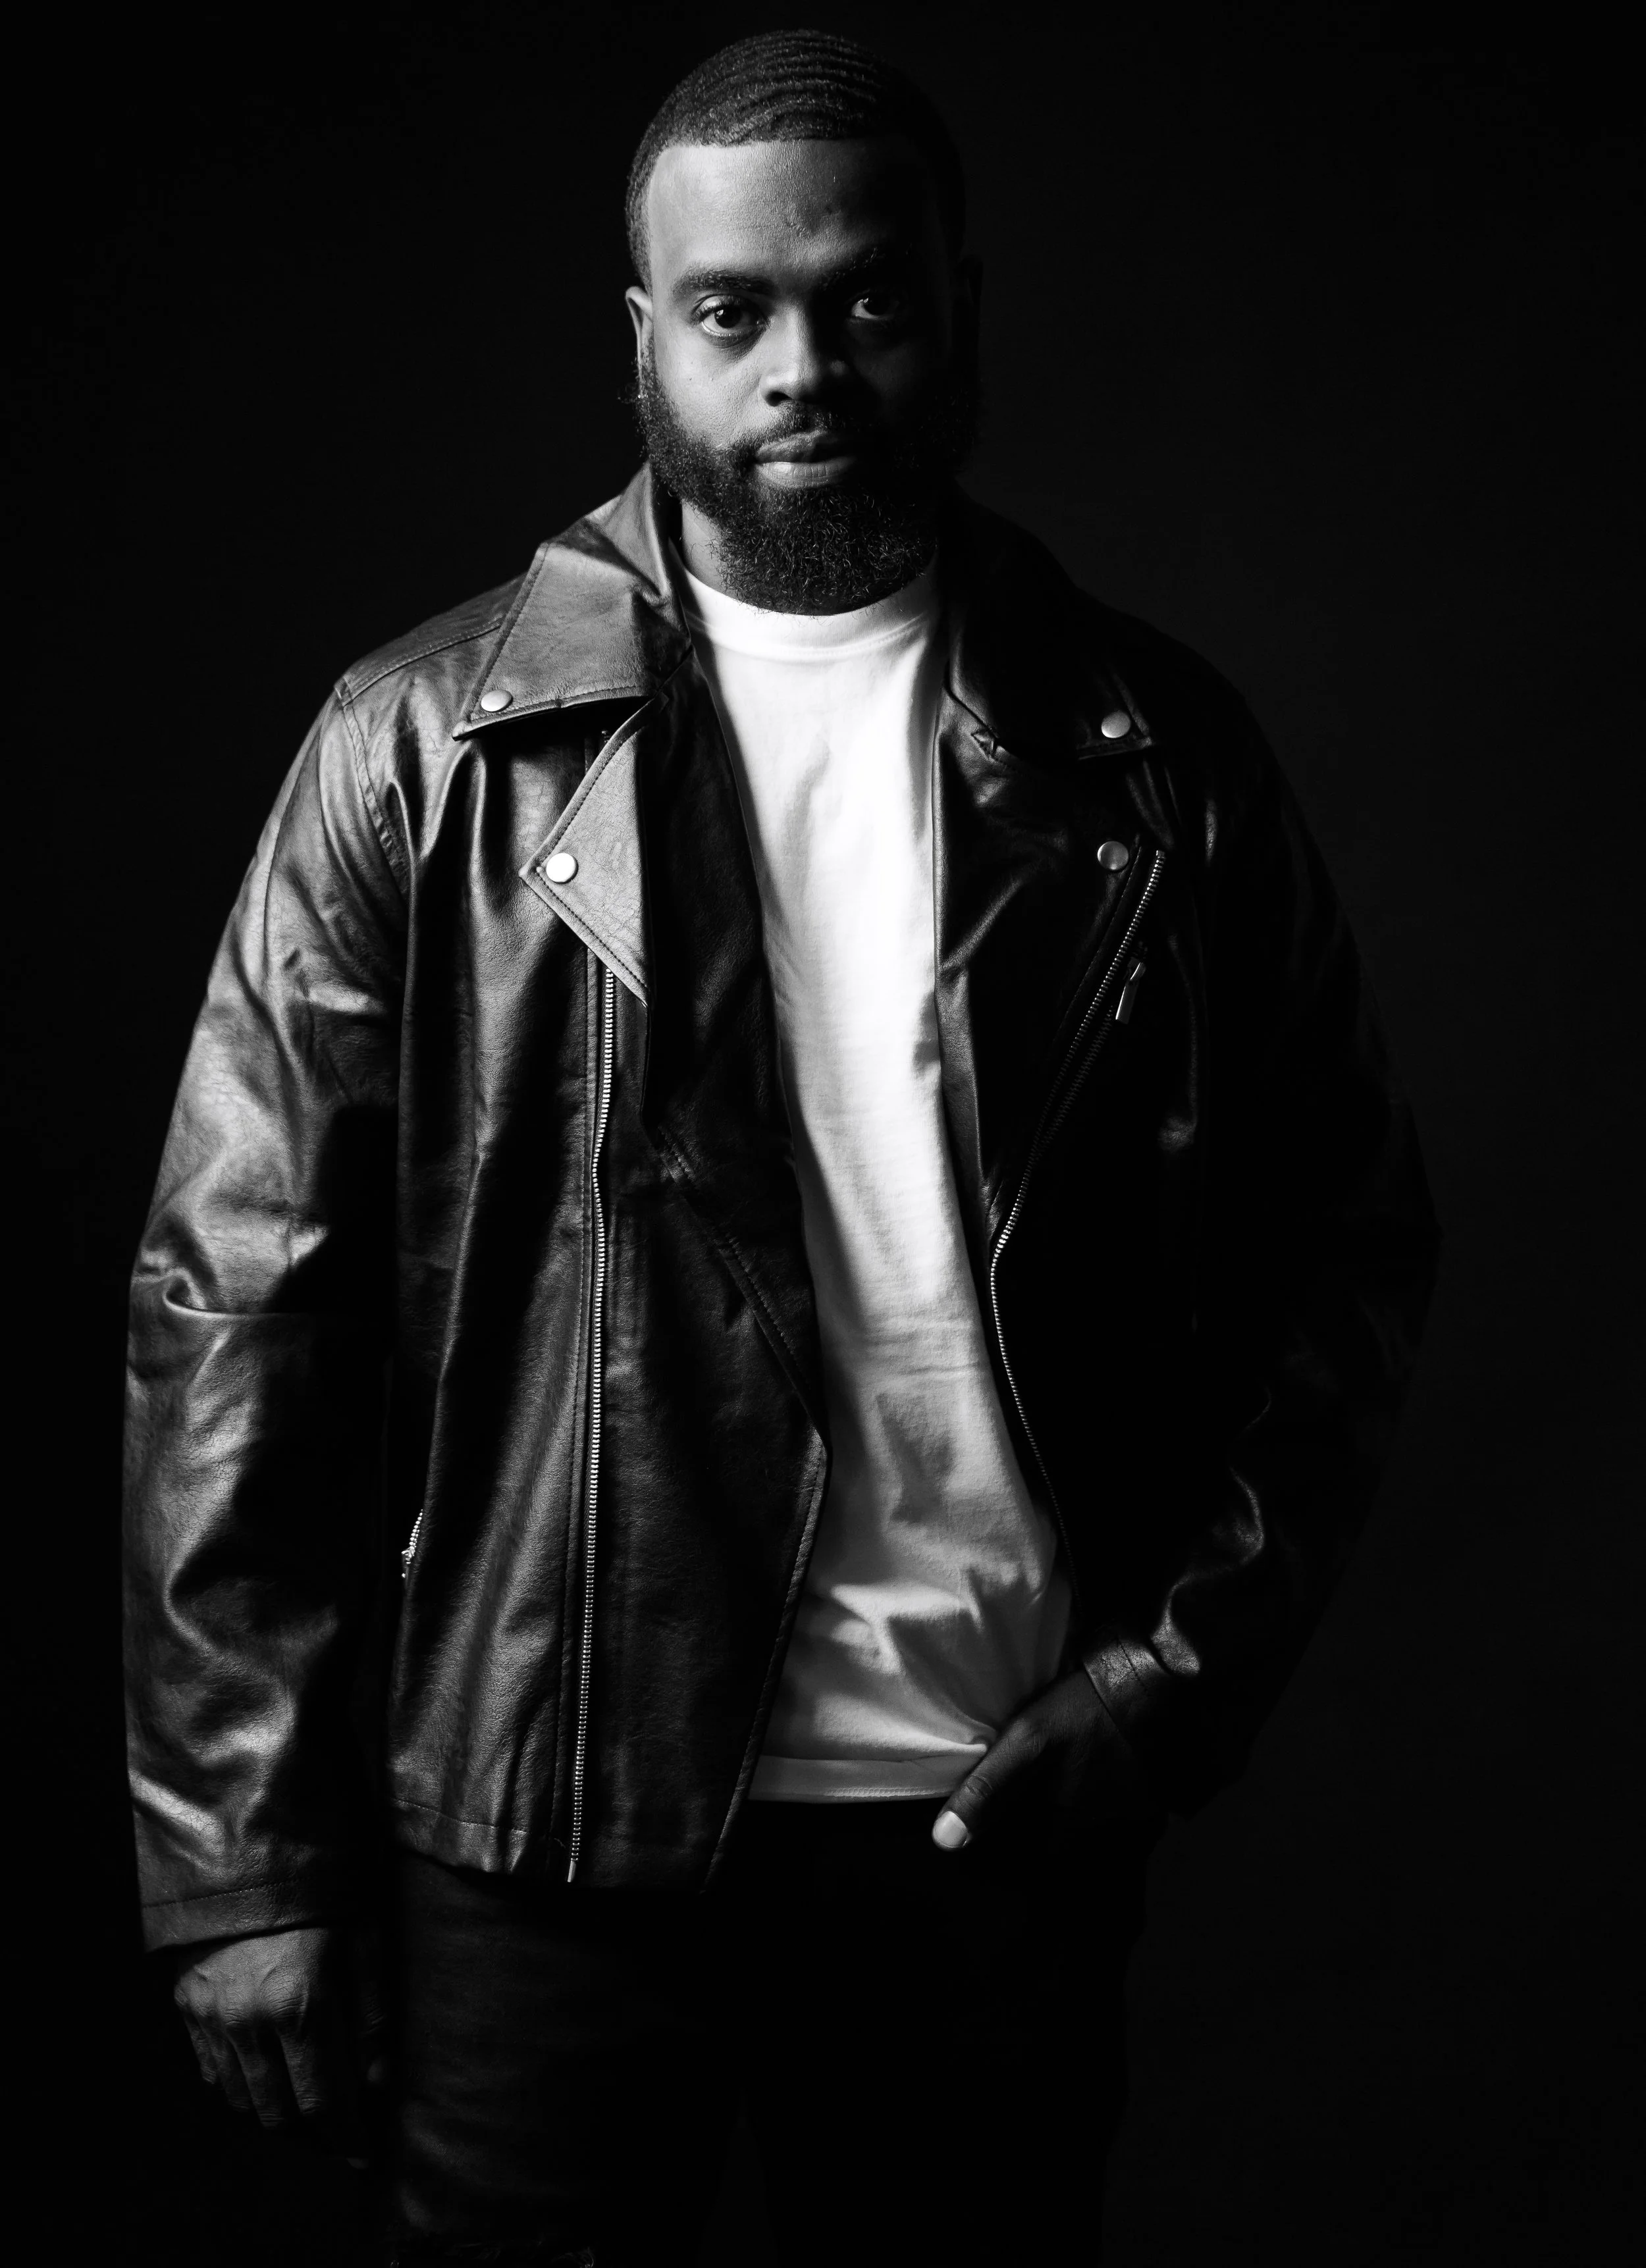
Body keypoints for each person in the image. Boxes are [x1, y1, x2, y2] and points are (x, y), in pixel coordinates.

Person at [123, 29, 1439, 2267]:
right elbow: (232, 1301)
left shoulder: (1151, 753)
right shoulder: (423, 750)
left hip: (982, 1809)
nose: (799, 367)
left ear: (959, 303)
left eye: (865, 300)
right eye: (730, 313)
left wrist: (1160, 1690)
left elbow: (1342, 1243)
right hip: (536, 1825)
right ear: (643, 337)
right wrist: (237, 1850)